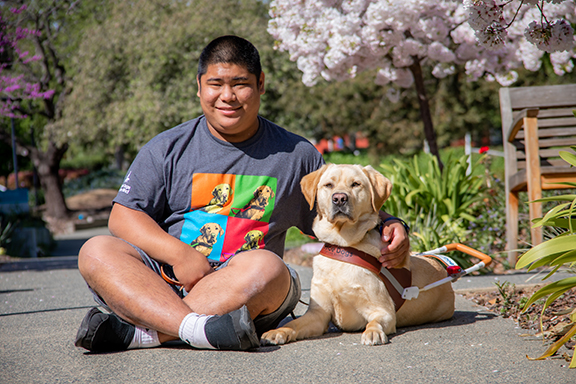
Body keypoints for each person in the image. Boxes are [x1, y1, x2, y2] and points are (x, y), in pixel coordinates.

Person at [74, 35, 410, 353]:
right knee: (96, 249)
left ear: (260, 84)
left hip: (251, 290)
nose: (227, 96)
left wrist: (390, 223)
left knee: (268, 266)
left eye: (240, 84)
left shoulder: (296, 155)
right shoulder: (166, 148)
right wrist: (180, 255)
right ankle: (199, 331)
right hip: (167, 281)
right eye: (215, 84)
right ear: (199, 87)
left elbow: (336, 213)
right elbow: (122, 216)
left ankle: (147, 330)